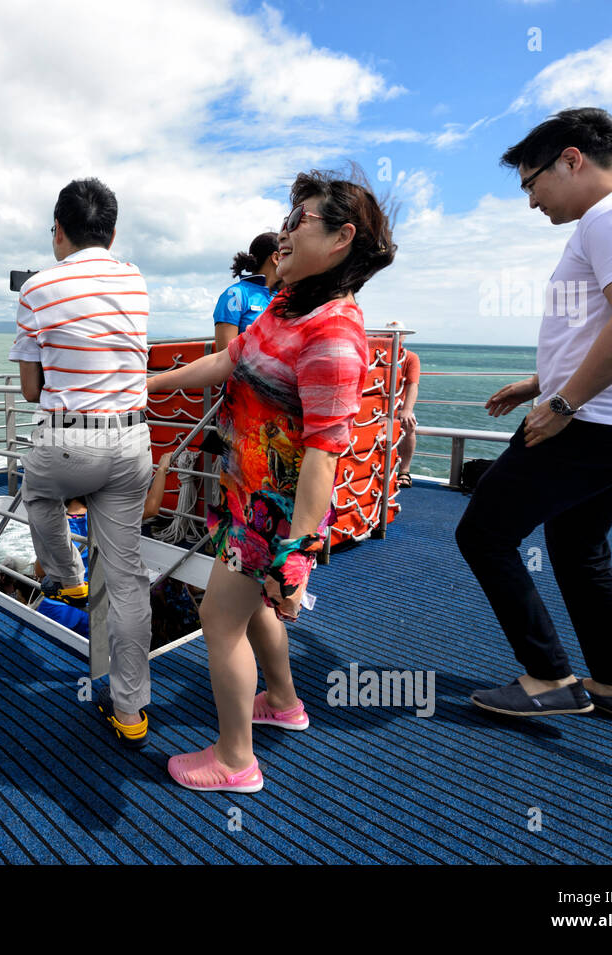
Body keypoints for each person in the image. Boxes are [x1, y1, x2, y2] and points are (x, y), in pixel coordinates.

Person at [146, 167, 395, 792]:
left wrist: (296, 553)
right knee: (251, 610)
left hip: (275, 514)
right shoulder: (285, 305)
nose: (282, 234)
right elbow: (229, 358)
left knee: (218, 619)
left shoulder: (333, 334)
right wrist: (149, 383)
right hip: (243, 491)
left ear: (341, 239)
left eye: (297, 220)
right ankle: (283, 702)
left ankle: (235, 760)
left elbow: (323, 455)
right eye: (285, 220)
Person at [456, 108, 612, 728]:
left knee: (483, 534)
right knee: (578, 546)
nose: (531, 201)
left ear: (571, 159)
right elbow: (608, 325)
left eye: (532, 183)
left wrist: (562, 403)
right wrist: (540, 380)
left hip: (595, 424)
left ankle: (550, 677)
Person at [10, 177, 154, 749]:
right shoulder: (136, 280)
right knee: (126, 582)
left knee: (38, 494)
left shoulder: (38, 290)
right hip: (130, 445)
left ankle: (67, 579)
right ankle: (131, 710)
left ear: (58, 231)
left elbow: (28, 389)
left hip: (68, 442)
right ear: (113, 233)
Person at [213, 232, 280, 353]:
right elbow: (225, 355)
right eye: (287, 254)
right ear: (276, 258)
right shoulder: (234, 294)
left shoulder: (283, 296)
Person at [387, 322, 420, 488]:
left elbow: (413, 385)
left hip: (398, 406)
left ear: (404, 336)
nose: (394, 337)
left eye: (398, 334)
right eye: (390, 334)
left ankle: (404, 471)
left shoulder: (410, 357)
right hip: (378, 406)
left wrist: (407, 410)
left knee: (408, 425)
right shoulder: (377, 355)